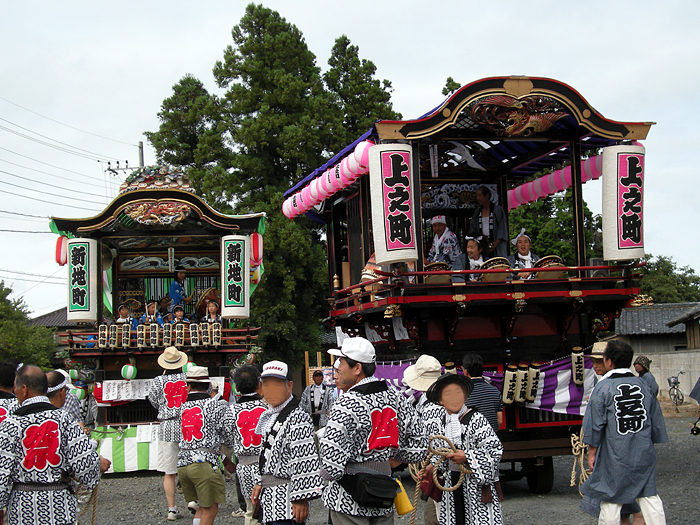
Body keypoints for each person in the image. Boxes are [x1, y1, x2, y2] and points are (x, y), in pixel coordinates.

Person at [320, 337, 428, 525]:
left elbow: (330, 467)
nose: (336, 370)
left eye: (341, 363)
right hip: (382, 491)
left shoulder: (346, 403)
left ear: (357, 368)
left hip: (349, 499)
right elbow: (420, 445)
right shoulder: (396, 397)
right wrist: (391, 456)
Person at [0, 365, 110, 525]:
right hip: (59, 504)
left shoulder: (10, 425)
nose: (14, 392)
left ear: (23, 389)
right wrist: (87, 476)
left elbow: (1, 473)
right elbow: (86, 464)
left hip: (22, 507)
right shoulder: (65, 420)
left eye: (15, 389)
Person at [580, 340, 669, 525]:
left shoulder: (603, 388)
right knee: (649, 495)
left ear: (609, 361)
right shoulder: (644, 385)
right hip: (643, 450)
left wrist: (592, 452)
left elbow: (594, 424)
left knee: (610, 498)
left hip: (614, 453)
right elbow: (655, 420)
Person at [250, 361, 324, 525]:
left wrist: (301, 498)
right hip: (270, 499)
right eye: (266, 384)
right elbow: (265, 454)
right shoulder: (270, 415)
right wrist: (259, 481)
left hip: (287, 501)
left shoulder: (297, 417)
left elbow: (305, 460)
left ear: (289, 386)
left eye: (277, 384)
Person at [425, 373, 503, 525]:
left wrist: (467, 456)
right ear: (441, 400)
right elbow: (440, 451)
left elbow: (495, 450)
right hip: (452, 483)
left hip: (475, 484)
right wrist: (432, 466)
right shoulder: (443, 423)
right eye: (448, 393)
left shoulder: (476, 420)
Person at [178, 366, 236, 525]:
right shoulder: (217, 405)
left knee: (202, 508)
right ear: (209, 386)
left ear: (188, 386)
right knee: (211, 509)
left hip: (183, 464)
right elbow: (229, 436)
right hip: (204, 464)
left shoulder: (181, 408)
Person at [147, 346, 189, 521]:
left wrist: (165, 408)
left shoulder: (157, 381)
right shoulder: (187, 378)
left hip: (167, 424)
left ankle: (172, 509)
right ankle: (193, 500)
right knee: (189, 465)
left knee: (169, 472)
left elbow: (152, 400)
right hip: (186, 423)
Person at [403, 355, 443, 525]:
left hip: (443, 470)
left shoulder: (431, 406)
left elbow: (440, 443)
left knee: (436, 517)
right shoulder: (438, 398)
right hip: (442, 467)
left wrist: (431, 465)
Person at [230, 365, 267, 525]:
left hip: (244, 466)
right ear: (259, 383)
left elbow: (226, 438)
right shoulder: (268, 407)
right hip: (268, 466)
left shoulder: (230, 411)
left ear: (236, 387)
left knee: (251, 512)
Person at [461, 354, 503, 433]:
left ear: (466, 372)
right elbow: (499, 421)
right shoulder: (495, 391)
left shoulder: (461, 393)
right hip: (490, 438)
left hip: (469, 439)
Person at [468, 185, 508, 258]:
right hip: (482, 244)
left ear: (487, 196)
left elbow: (502, 228)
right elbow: (473, 229)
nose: (477, 198)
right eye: (476, 196)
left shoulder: (497, 210)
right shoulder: (477, 213)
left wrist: (496, 242)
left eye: (479, 196)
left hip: (496, 243)